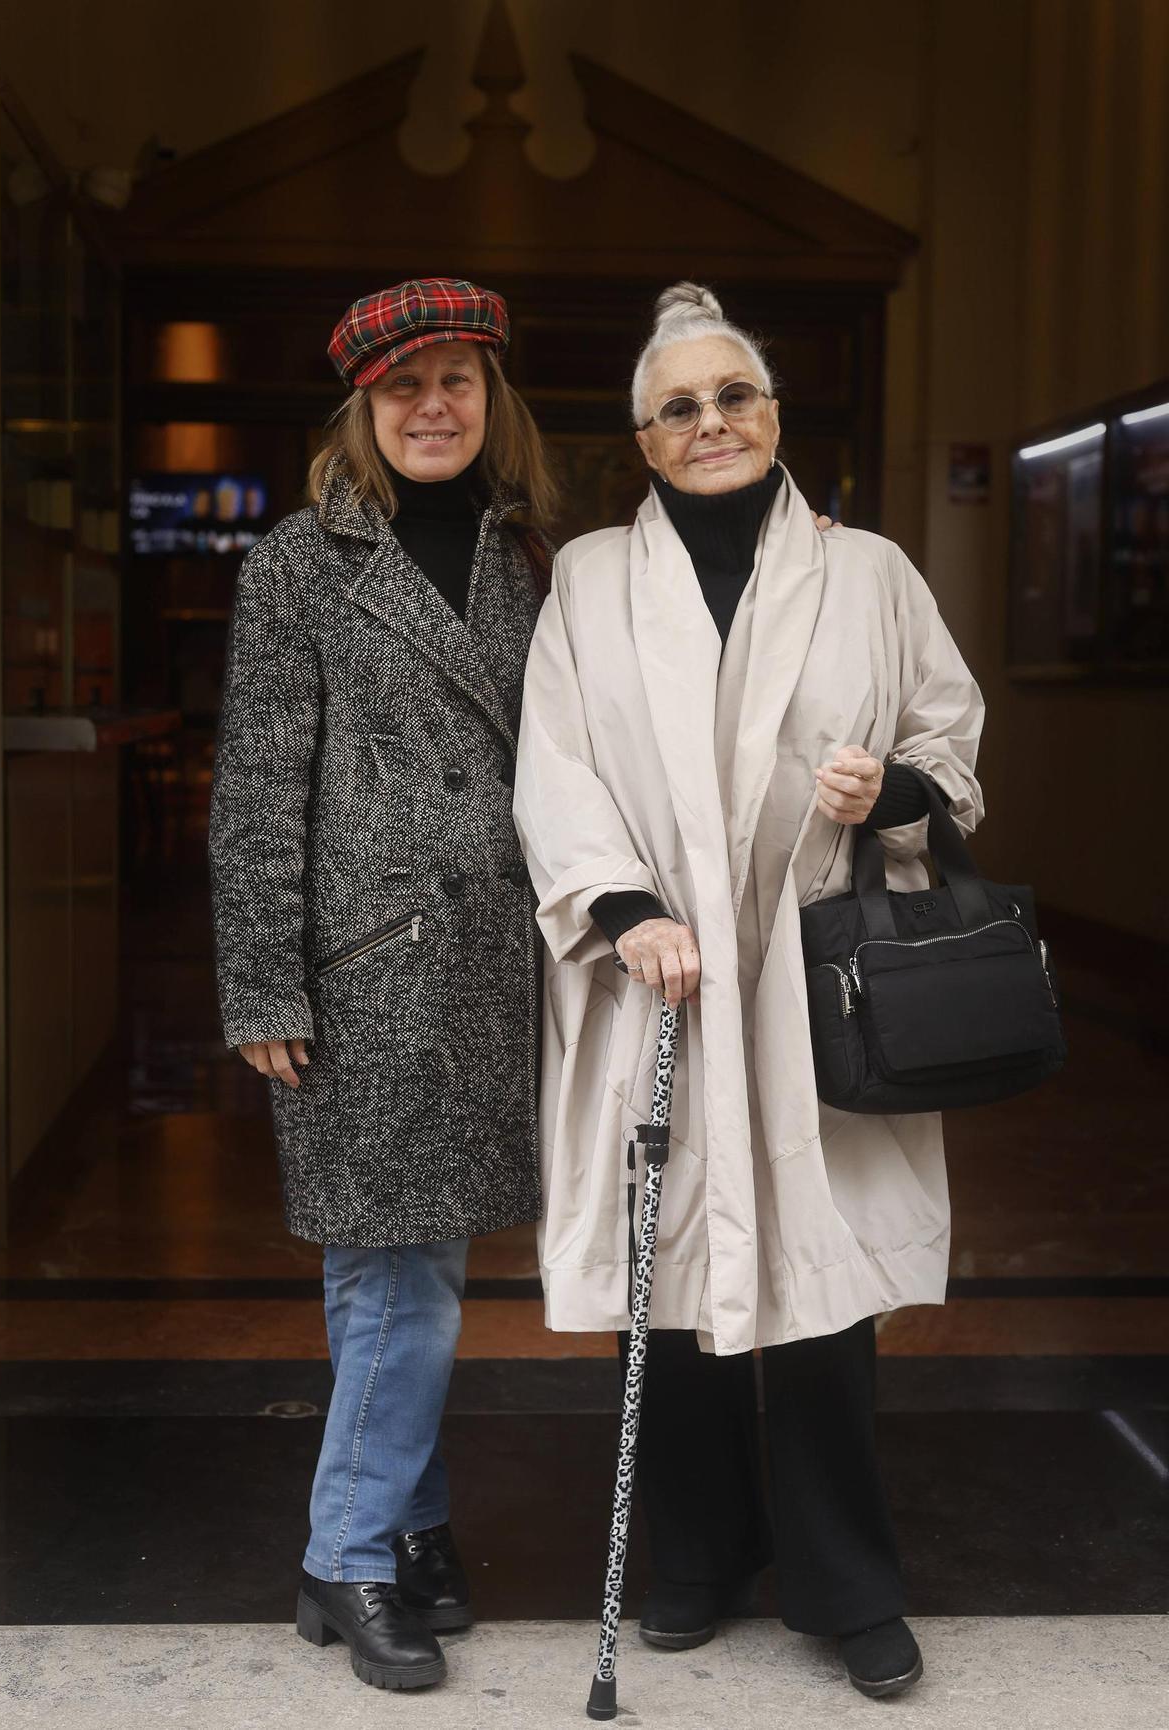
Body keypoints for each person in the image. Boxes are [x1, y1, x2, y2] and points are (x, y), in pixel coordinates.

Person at [513, 282, 985, 1700]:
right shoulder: (590, 579)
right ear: (644, 442)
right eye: (680, 407)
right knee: (668, 1271)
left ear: (774, 416)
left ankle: (847, 1581)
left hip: (813, 970)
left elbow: (947, 729)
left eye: (734, 397)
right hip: (659, 973)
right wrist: (623, 906)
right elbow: (554, 759)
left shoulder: (872, 571)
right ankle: (699, 1557)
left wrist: (891, 789)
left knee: (824, 1284)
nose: (710, 422)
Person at [209, 278, 557, 1694]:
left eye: (456, 381)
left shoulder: (530, 554)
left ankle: (409, 1525)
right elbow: (256, 784)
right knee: (396, 1272)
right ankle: (347, 1552)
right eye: (403, 386)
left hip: (491, 960)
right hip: (365, 971)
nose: (432, 407)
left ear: (490, 397)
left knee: (420, 1262)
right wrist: (261, 982)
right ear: (362, 408)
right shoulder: (301, 562)